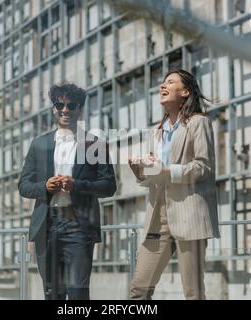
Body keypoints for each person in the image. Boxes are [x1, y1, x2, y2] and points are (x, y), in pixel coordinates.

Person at [18, 83, 116, 300]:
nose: (65, 109)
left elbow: (109, 186)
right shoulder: (39, 144)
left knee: (78, 293)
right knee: (52, 294)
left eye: (71, 105)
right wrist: (44, 186)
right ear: (53, 108)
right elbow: (23, 185)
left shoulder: (94, 144)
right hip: (47, 225)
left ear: (80, 109)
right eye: (59, 104)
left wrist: (77, 184)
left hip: (79, 225)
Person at [128, 69, 220, 300]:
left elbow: (203, 167)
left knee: (193, 293)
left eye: (170, 82)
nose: (163, 85)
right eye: (162, 82)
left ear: (185, 91)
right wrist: (139, 171)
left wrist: (168, 171)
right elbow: (154, 175)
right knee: (139, 290)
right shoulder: (156, 132)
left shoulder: (198, 123)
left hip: (189, 213)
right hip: (157, 215)